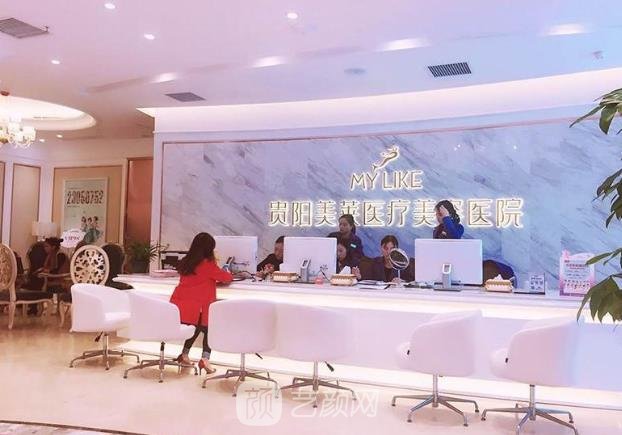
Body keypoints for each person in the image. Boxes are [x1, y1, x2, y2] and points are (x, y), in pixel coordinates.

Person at [170, 232, 233, 374]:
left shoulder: (186, 262)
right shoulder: (207, 264)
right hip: (198, 307)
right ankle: (205, 359)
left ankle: (184, 354)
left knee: (196, 328)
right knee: (209, 329)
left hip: (181, 307)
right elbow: (226, 278)